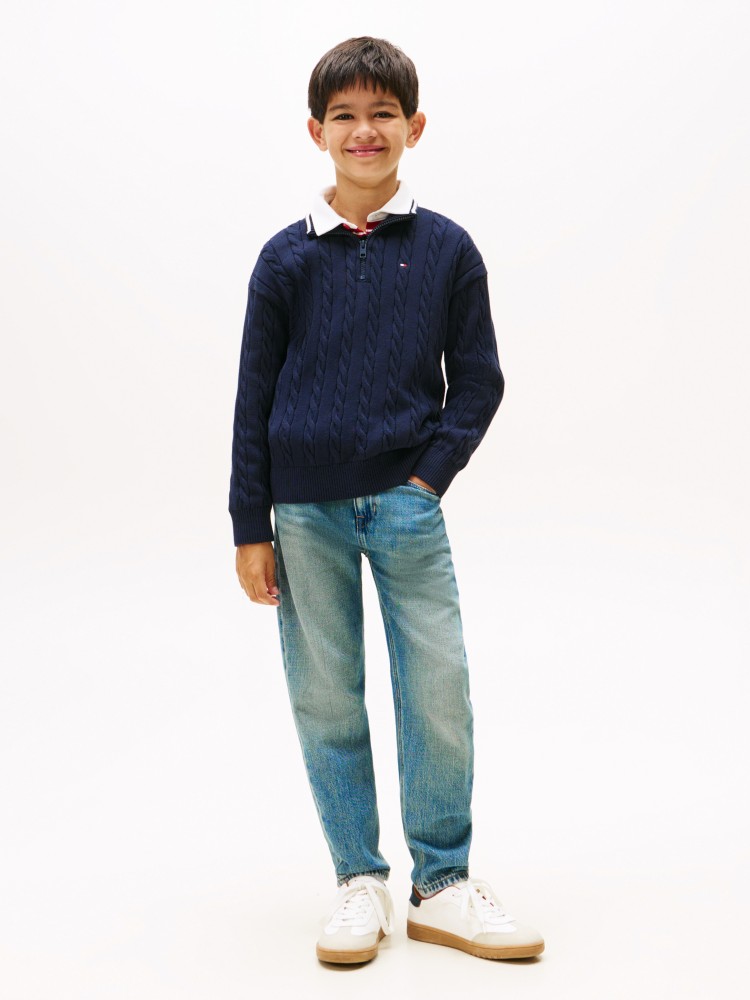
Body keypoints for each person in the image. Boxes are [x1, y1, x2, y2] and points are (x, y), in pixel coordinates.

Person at [229, 36, 544, 965]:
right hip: (304, 513)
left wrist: (426, 478)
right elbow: (252, 398)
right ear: (316, 132)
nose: (363, 131)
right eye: (344, 116)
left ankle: (441, 884)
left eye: (382, 114)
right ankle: (358, 881)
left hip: (407, 508)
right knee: (327, 696)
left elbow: (478, 382)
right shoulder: (285, 260)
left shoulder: (446, 249)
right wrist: (251, 525)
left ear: (415, 125)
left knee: (437, 687)